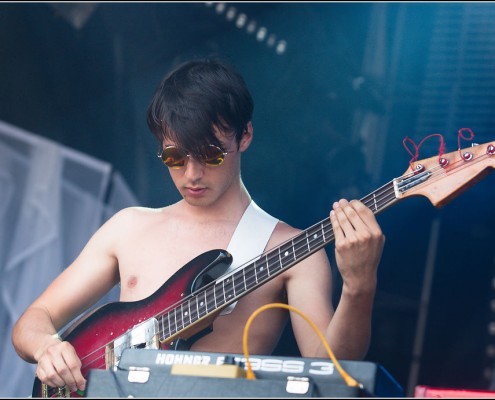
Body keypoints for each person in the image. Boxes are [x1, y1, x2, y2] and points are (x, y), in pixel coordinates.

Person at [11, 57, 385, 394]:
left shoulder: (295, 252)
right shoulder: (128, 228)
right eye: (175, 156)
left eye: (210, 154)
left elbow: (330, 375)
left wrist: (359, 285)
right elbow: (32, 321)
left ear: (245, 136)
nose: (191, 174)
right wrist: (48, 348)